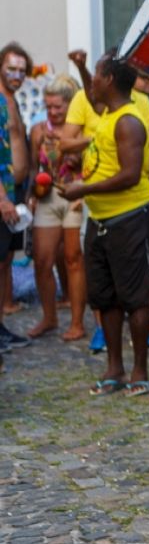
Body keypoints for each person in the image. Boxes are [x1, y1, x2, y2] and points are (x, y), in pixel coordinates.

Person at [61, 52, 149, 396]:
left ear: (108, 80)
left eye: (96, 74)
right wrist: (81, 66)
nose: (92, 81)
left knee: (135, 298)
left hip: (131, 217)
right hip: (101, 219)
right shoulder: (105, 114)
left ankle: (139, 371)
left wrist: (84, 187)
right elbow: (91, 100)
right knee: (104, 298)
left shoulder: (129, 121)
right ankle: (114, 369)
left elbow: (129, 175)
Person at [27, 75, 86, 341]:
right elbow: (33, 167)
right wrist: (31, 193)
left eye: (58, 106)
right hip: (48, 197)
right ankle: (49, 317)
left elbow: (89, 164)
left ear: (70, 105)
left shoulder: (80, 130)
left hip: (74, 194)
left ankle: (77, 322)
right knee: (42, 259)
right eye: (48, 106)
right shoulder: (38, 130)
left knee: (73, 259)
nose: (52, 111)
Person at [0, 45, 30, 352]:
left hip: (16, 191)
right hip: (3, 194)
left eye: (22, 70)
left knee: (6, 259)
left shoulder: (12, 100)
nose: (17, 75)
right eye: (11, 69)